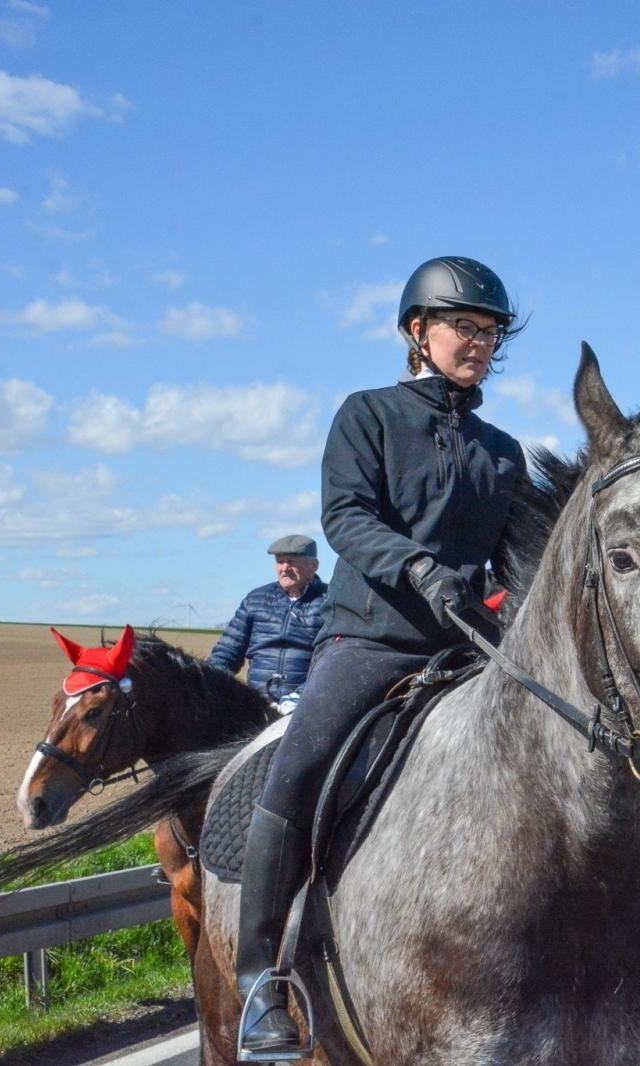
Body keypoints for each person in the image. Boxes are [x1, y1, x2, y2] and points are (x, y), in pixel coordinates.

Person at [234, 255, 526, 1057]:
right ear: (415, 331)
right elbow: (347, 516)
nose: (478, 342)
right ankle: (261, 978)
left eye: (489, 331)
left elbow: (519, 558)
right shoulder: (366, 415)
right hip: (373, 639)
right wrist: (419, 566)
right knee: (298, 770)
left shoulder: (504, 452)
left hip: (469, 651)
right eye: (462, 326)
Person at [207, 534, 328, 710]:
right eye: (280, 561)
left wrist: (301, 696)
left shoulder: (331, 604)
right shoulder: (256, 600)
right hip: (256, 704)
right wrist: (208, 684)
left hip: (307, 707)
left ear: (313, 565)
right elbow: (227, 652)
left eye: (292, 561)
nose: (285, 568)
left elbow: (331, 659)